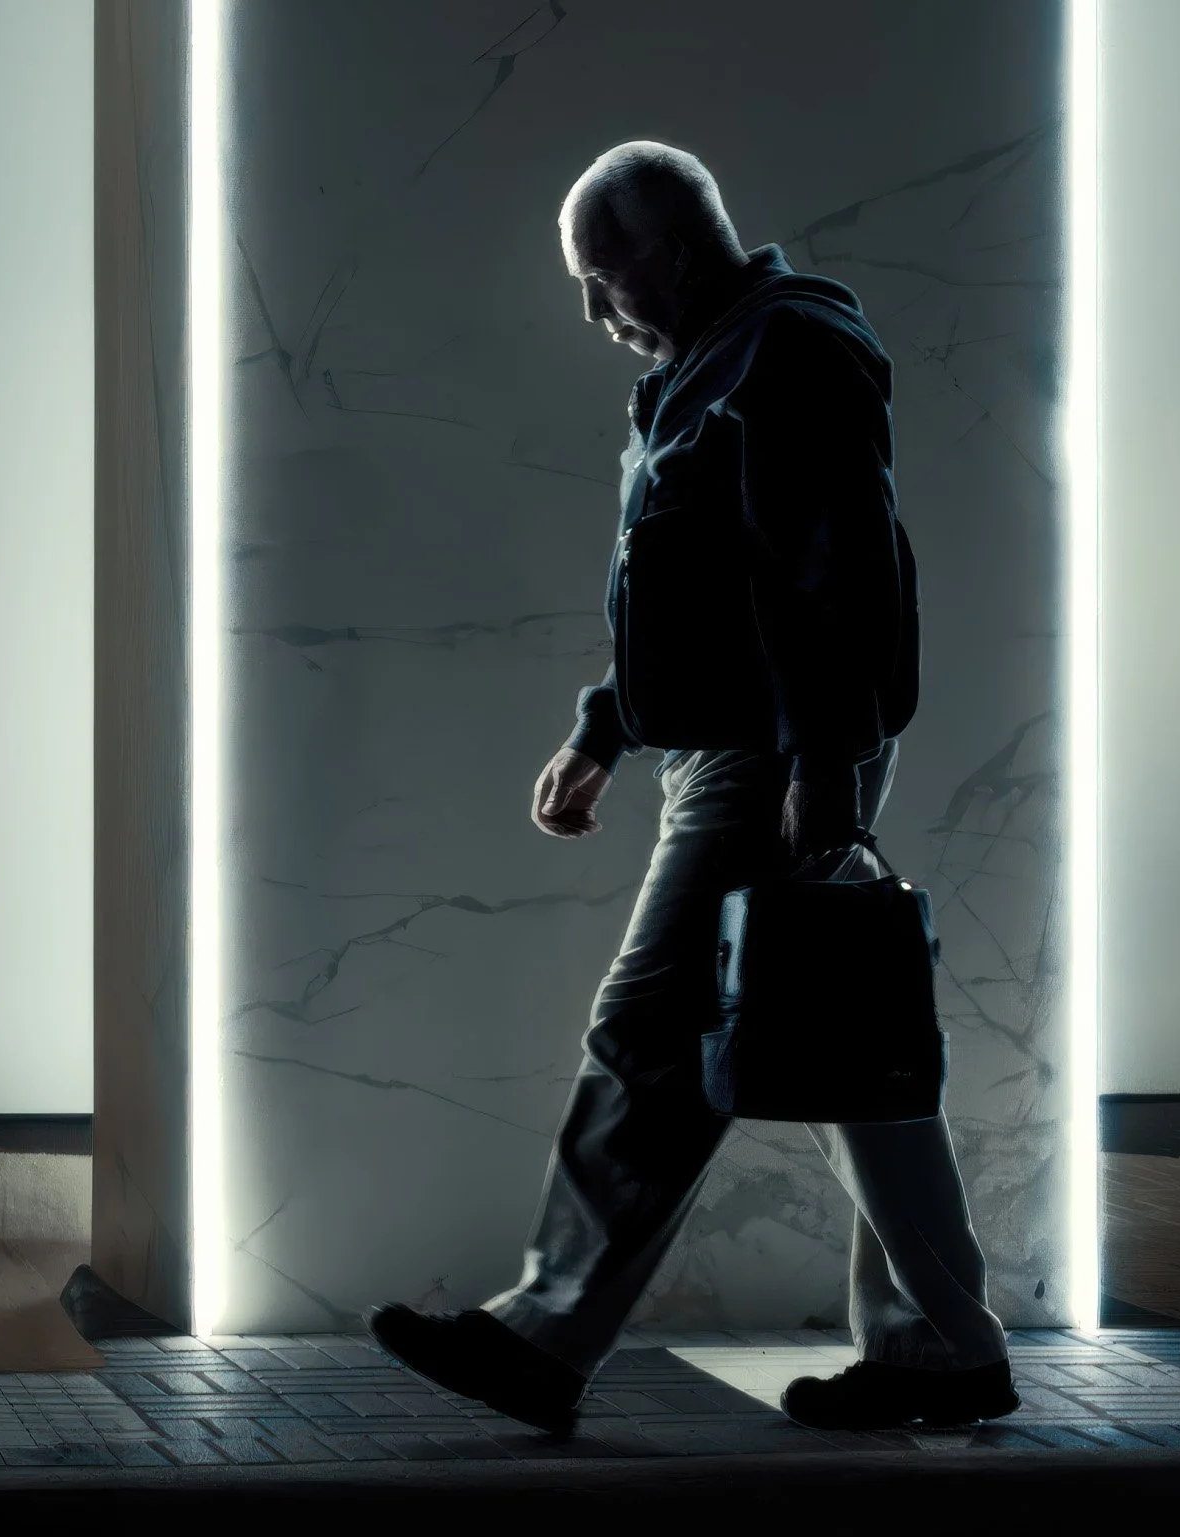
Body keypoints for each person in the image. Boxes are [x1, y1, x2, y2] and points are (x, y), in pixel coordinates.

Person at [368, 141, 1014, 1437]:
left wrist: (822, 768)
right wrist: (607, 731)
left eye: (604, 279)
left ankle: (544, 1336)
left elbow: (835, 571)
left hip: (773, 752)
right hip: (740, 747)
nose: (597, 314)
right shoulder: (697, 372)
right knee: (845, 1055)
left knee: (653, 1021)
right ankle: (942, 1345)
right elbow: (692, 590)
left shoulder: (790, 347)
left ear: (667, 247)